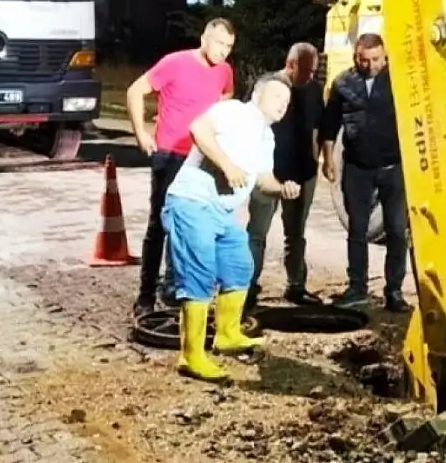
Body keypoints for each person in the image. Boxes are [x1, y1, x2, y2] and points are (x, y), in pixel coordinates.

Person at [162, 73, 300, 383]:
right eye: (278, 98)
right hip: (192, 202)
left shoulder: (267, 137)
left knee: (240, 265)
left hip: (222, 211)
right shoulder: (234, 111)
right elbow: (198, 129)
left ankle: (227, 334)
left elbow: (263, 180)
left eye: (287, 102)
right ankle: (191, 356)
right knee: (199, 275)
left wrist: (283, 188)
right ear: (258, 95)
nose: (283, 105)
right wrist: (226, 165)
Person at [126, 18, 236, 318]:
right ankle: (145, 296)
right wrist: (141, 133)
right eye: (219, 43)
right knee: (159, 225)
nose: (223, 51)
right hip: (170, 154)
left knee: (192, 227)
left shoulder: (224, 72)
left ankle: (175, 289)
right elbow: (135, 91)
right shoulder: (174, 63)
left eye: (229, 46)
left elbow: (225, 103)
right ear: (204, 38)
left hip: (202, 159)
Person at [319, 33, 410, 313]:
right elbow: (330, 123)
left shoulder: (401, 81)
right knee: (357, 230)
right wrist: (328, 159)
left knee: (396, 231)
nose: (370, 65)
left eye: (376, 60)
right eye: (364, 60)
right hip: (358, 168)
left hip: (394, 168)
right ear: (355, 58)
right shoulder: (343, 83)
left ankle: (394, 291)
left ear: (385, 57)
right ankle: (357, 287)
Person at [245, 42, 325, 312]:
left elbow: (318, 127)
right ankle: (247, 287)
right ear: (290, 65)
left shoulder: (313, 90)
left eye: (314, 71)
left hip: (302, 173)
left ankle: (296, 286)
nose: (310, 77)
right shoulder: (268, 87)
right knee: (257, 233)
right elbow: (251, 123)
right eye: (306, 71)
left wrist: (320, 160)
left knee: (296, 234)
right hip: (269, 171)